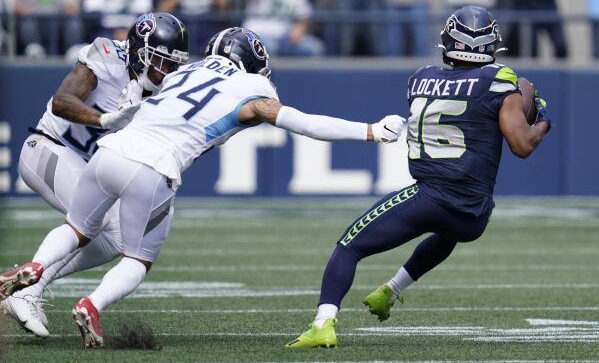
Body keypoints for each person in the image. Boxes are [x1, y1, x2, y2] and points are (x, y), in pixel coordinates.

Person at [0, 27, 405, 348]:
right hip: (153, 166)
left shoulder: (185, 71)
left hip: (107, 153)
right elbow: (302, 121)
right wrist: (368, 131)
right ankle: (92, 303)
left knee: (77, 228)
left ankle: (35, 267)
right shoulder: (252, 88)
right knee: (137, 259)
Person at [286, 5, 552, 348]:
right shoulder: (500, 80)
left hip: (429, 197)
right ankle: (391, 291)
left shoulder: (421, 78)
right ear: (492, 44)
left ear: (446, 41)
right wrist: (541, 116)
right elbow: (522, 144)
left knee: (349, 246)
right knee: (447, 231)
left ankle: (323, 323)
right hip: (474, 214)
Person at [0, 12, 189, 338]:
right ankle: (26, 291)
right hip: (47, 149)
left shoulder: (165, 91)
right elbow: (62, 101)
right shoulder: (106, 55)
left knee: (119, 236)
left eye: (172, 65)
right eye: (159, 62)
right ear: (138, 52)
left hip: (88, 166)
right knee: (99, 221)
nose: (166, 72)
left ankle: (27, 286)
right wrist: (106, 121)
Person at [243, 0, 324, 56]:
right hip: (257, 33)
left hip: (284, 37)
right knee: (270, 47)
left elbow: (304, 15)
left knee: (314, 47)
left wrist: (300, 27)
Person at [4, 0, 83, 57]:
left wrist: (71, 5)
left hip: (57, 21)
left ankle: (73, 51)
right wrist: (19, 7)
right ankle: (34, 50)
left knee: (72, 19)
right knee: (27, 20)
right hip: (30, 20)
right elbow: (8, 1)